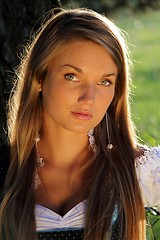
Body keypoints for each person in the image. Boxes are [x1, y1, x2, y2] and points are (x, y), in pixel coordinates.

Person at [0, 8, 159, 240]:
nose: (88, 98)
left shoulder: (137, 171)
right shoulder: (7, 170)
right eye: (72, 76)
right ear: (40, 78)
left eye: (104, 82)